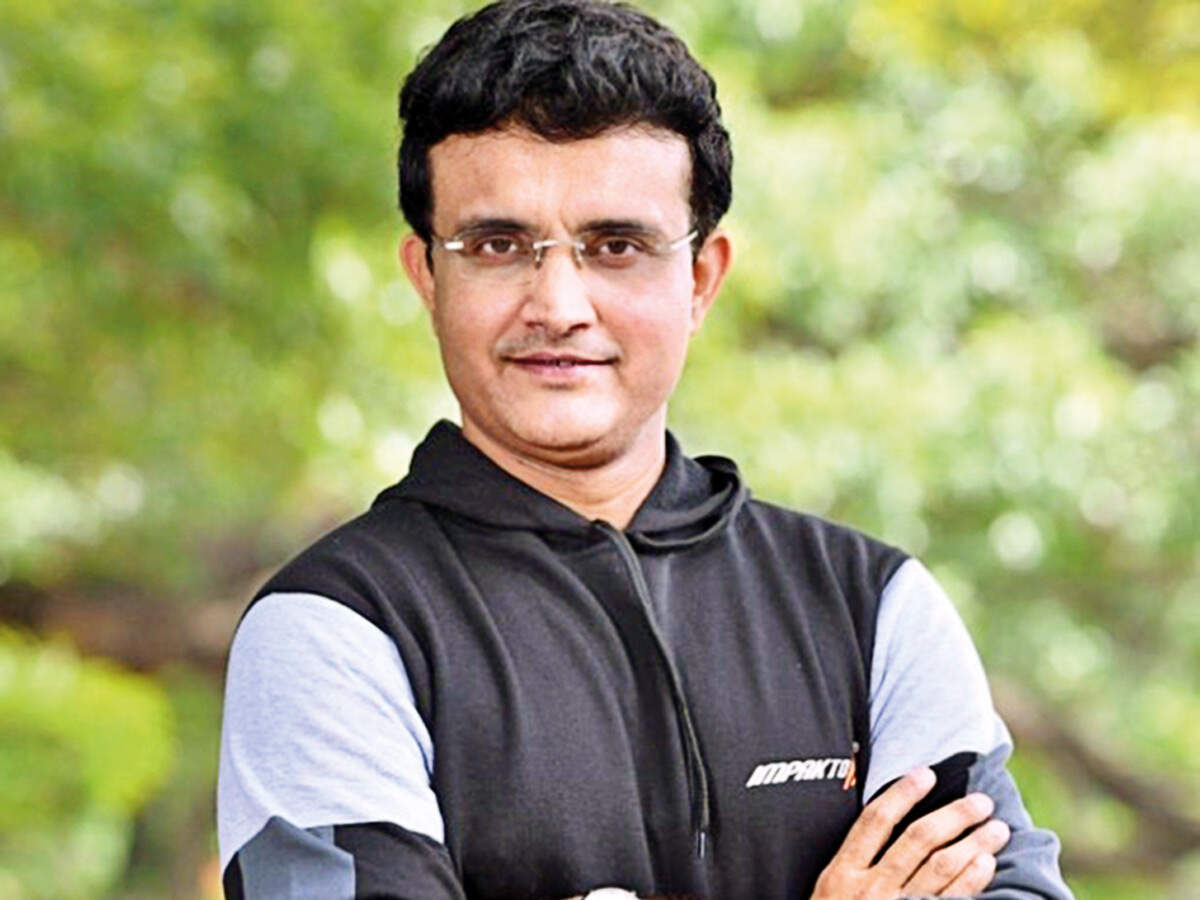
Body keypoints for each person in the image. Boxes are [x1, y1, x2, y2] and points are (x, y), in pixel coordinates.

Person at [216, 1, 1074, 898]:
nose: (558, 306)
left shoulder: (871, 608)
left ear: (700, 278)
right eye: (499, 245)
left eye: (615, 246)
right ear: (428, 276)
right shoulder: (336, 629)